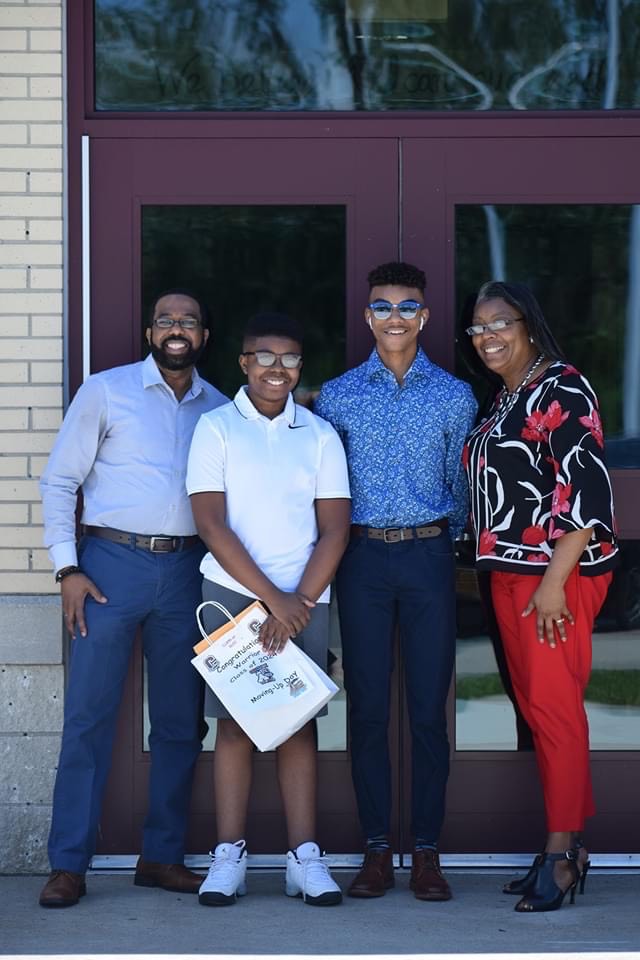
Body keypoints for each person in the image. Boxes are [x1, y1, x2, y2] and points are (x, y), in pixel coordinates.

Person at [38, 290, 226, 908]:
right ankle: (69, 863)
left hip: (187, 572)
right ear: (150, 330)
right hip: (108, 566)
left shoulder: (222, 408)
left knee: (179, 722)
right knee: (89, 717)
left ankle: (162, 856)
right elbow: (62, 479)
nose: (177, 329)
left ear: (203, 334)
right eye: (167, 320)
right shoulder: (106, 390)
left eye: (188, 322)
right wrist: (67, 568)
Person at [315, 261, 477, 901]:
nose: (394, 319)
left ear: (426, 316)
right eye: (382, 307)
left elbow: (460, 487)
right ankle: (378, 849)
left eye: (407, 307)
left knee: (429, 711)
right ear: (367, 317)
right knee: (370, 710)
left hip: (428, 559)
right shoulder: (338, 396)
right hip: (361, 562)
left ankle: (429, 850)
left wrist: (445, 542)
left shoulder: (454, 396)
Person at [461, 281, 618, 913]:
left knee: (554, 712)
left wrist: (556, 579)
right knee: (539, 712)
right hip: (510, 573)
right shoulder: (506, 397)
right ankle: (567, 846)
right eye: (477, 327)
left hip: (554, 576)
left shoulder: (562, 386)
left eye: (500, 322)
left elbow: (587, 489)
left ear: (529, 324)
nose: (487, 336)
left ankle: (561, 854)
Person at [186, 312, 351, 907]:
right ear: (243, 362)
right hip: (232, 595)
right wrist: (270, 601)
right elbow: (211, 523)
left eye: (289, 358)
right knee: (234, 726)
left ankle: (304, 858)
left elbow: (335, 529)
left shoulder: (319, 433)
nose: (276, 368)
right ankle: (228, 854)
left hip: (306, 596)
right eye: (264, 356)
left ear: (299, 366)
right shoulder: (216, 428)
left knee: (296, 725)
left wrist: (299, 600)